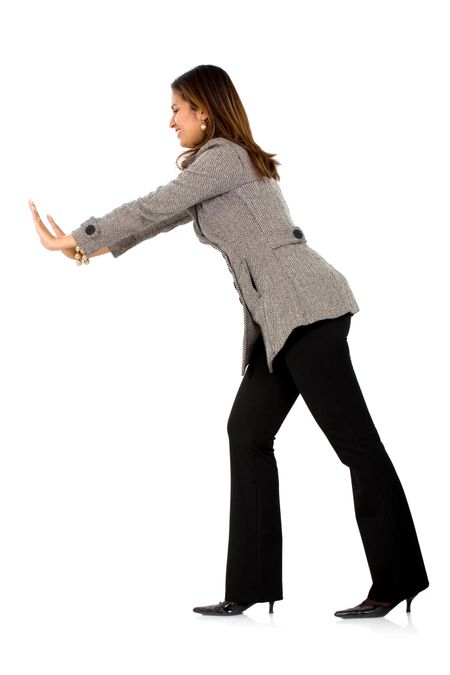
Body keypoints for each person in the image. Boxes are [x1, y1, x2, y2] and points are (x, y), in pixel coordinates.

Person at [30, 64, 429, 619]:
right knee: (247, 432)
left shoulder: (222, 158)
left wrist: (77, 235)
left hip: (308, 309)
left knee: (355, 444)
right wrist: (82, 251)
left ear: (204, 111)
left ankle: (398, 579)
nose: (170, 121)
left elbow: (154, 204)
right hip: (279, 320)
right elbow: (156, 220)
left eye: (176, 108)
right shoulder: (217, 169)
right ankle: (250, 587)